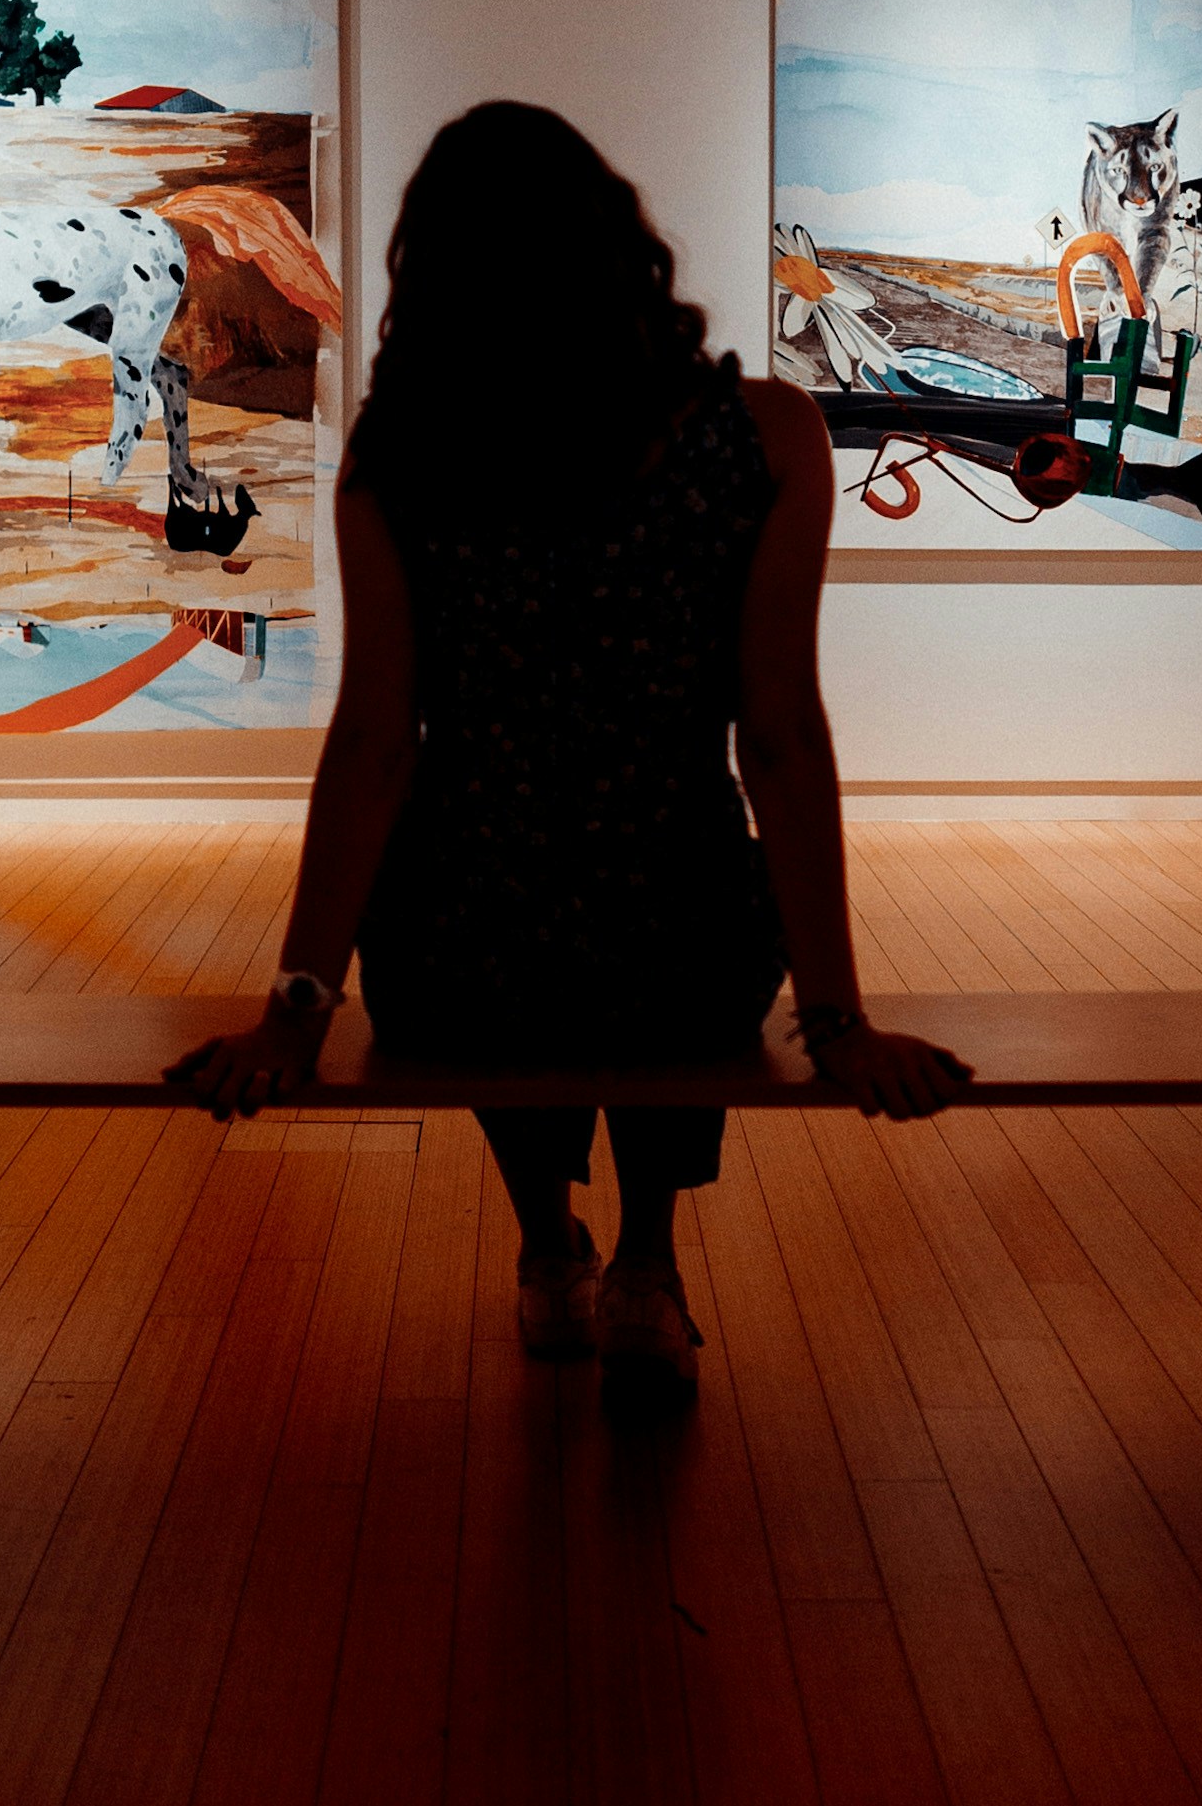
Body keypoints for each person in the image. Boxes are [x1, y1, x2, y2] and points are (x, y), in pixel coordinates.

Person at [168, 101, 969, 1407]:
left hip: (463, 954)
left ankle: (550, 1244)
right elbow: (778, 738)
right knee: (675, 901)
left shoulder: (403, 456)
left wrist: (297, 1008)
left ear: (435, 273)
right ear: (618, 246)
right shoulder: (766, 436)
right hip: (684, 947)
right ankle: (646, 1260)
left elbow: (375, 743)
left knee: (478, 913)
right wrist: (837, 1020)